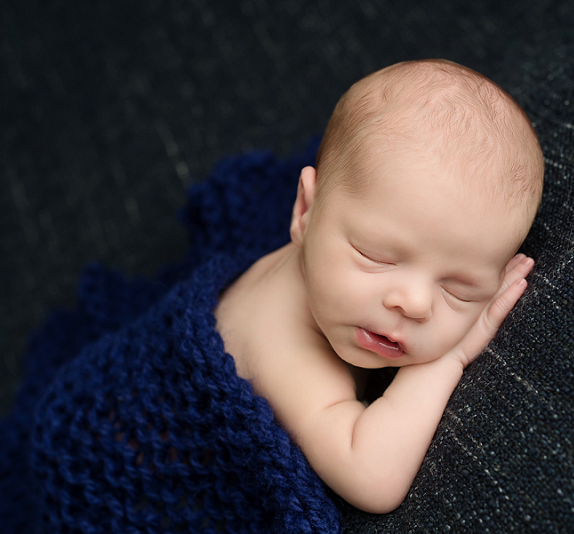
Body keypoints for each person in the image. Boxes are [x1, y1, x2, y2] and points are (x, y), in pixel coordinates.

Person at [214, 59, 544, 514]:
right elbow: (371, 478)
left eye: (460, 290)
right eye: (376, 256)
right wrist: (448, 358)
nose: (414, 303)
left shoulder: (339, 284)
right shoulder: (281, 343)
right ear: (305, 212)